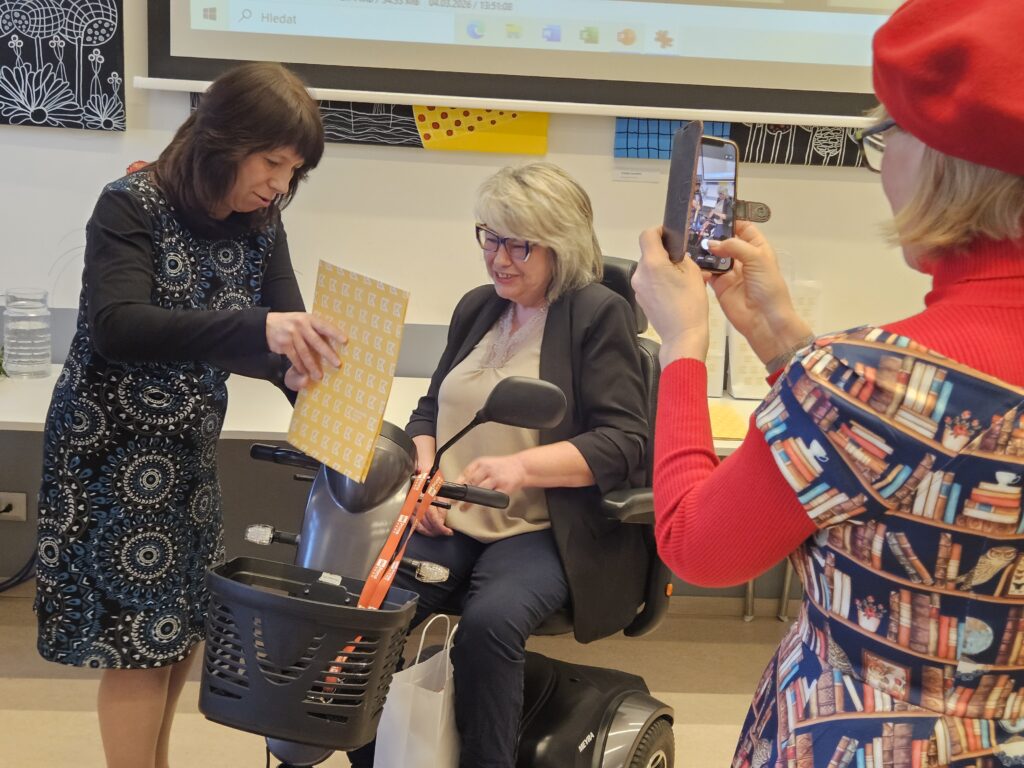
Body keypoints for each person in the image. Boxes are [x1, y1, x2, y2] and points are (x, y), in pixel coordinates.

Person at [632, 0, 1024, 763]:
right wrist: (785, 342)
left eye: (889, 136)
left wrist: (682, 342)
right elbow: (905, 463)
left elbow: (696, 545)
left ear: (940, 161)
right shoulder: (858, 383)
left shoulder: (865, 381)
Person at [34, 63, 344, 768]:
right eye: (271, 162)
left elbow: (280, 334)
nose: (280, 184)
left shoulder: (262, 221)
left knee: (175, 637)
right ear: (222, 141)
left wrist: (304, 378)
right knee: (138, 647)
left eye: (294, 171)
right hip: (109, 456)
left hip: (185, 457)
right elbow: (120, 326)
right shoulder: (131, 204)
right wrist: (261, 330)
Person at [352, 162, 649, 768]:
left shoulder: (596, 313)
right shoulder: (478, 307)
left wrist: (523, 468)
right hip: (451, 518)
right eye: (490, 237)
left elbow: (624, 442)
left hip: (542, 526)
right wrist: (423, 475)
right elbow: (430, 409)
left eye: (520, 245)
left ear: (561, 245)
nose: (499, 259)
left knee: (490, 624)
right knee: (370, 612)